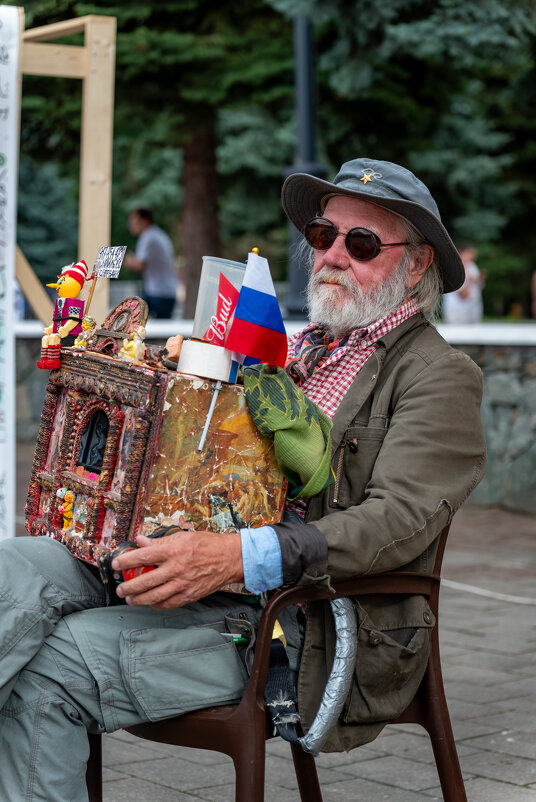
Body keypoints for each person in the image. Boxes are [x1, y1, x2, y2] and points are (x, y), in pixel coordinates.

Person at [0, 158, 486, 799]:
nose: (334, 256)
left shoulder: (438, 375)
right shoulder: (295, 350)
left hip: (302, 624)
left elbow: (394, 525)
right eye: (323, 236)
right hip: (199, 579)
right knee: (16, 568)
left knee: (51, 666)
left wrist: (236, 555)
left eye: (361, 243)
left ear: (417, 264)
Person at [124, 207, 179, 319]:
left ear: (145, 221)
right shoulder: (158, 234)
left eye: (134, 221)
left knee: (133, 308)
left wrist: (129, 261)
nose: (131, 224)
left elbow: (139, 265)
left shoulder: (148, 237)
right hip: (167, 291)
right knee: (163, 329)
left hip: (158, 293)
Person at [442, 242, 486, 323]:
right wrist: (469, 283)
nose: (472, 256)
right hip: (455, 305)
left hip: (472, 304)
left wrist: (478, 280)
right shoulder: (454, 266)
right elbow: (451, 285)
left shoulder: (472, 266)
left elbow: (478, 285)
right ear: (462, 252)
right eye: (469, 253)